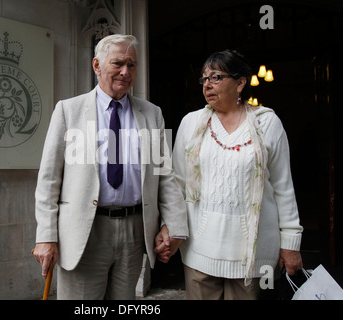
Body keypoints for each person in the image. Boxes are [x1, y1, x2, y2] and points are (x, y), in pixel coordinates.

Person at [33, 34, 188, 300]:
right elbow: (49, 180)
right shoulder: (68, 111)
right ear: (97, 65)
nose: (126, 72)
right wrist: (45, 236)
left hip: (133, 230)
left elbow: (164, 175)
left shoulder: (152, 113)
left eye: (132, 65)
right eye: (118, 63)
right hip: (84, 231)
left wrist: (174, 225)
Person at [172, 50, 303, 300]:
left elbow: (283, 187)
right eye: (204, 79)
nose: (207, 84)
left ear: (241, 82)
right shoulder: (191, 123)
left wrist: (291, 244)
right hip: (200, 252)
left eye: (216, 77)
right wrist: (173, 230)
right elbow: (177, 184)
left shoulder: (267, 123)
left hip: (252, 257)